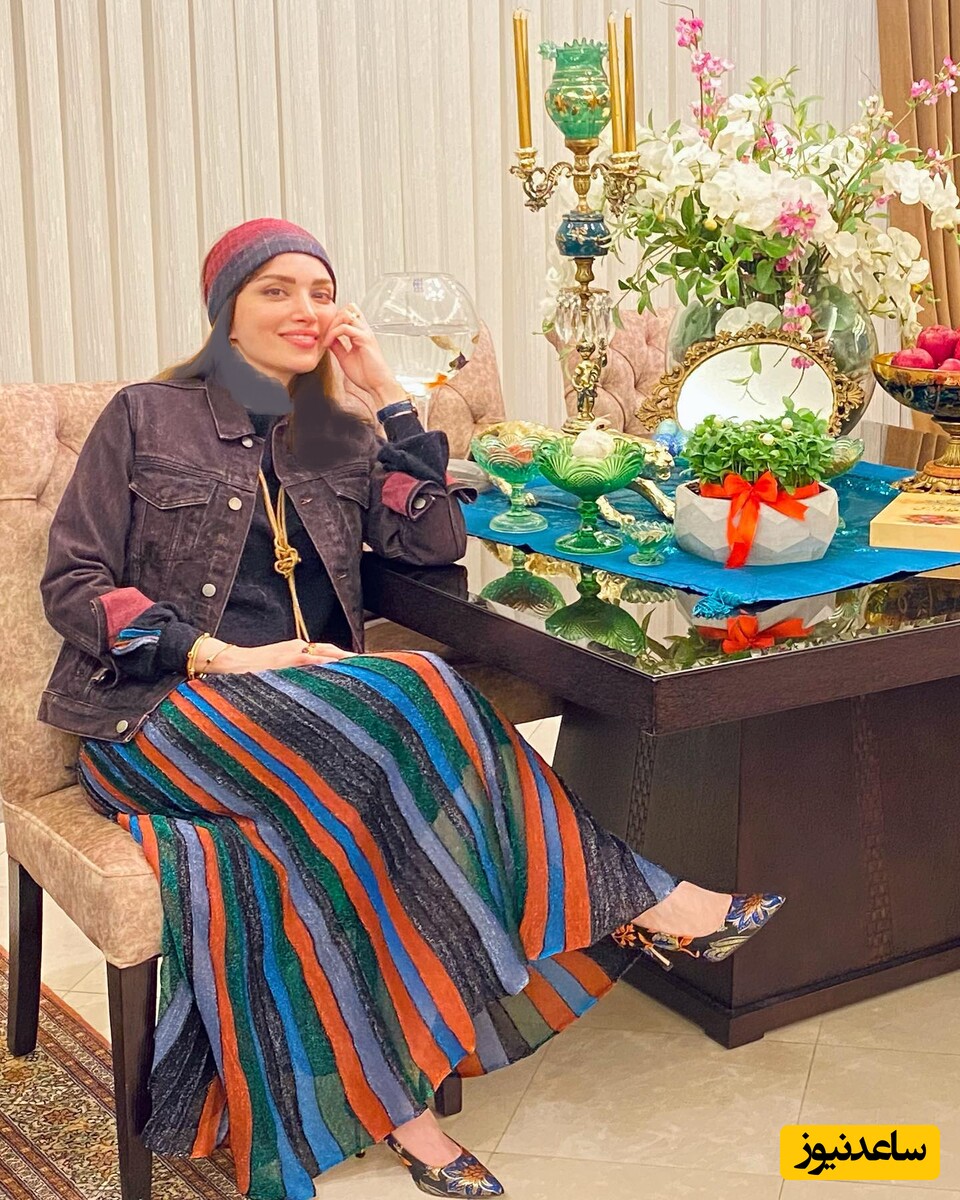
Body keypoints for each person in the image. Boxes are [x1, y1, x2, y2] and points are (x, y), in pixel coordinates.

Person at [39, 218, 784, 1200]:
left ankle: (403, 1112)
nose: (306, 309)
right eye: (276, 290)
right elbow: (76, 584)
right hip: (160, 714)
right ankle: (637, 898)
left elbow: (433, 541)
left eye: (320, 291)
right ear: (225, 311)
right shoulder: (145, 417)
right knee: (426, 685)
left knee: (331, 842)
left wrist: (387, 395)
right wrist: (220, 656)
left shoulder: (340, 434)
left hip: (318, 723)